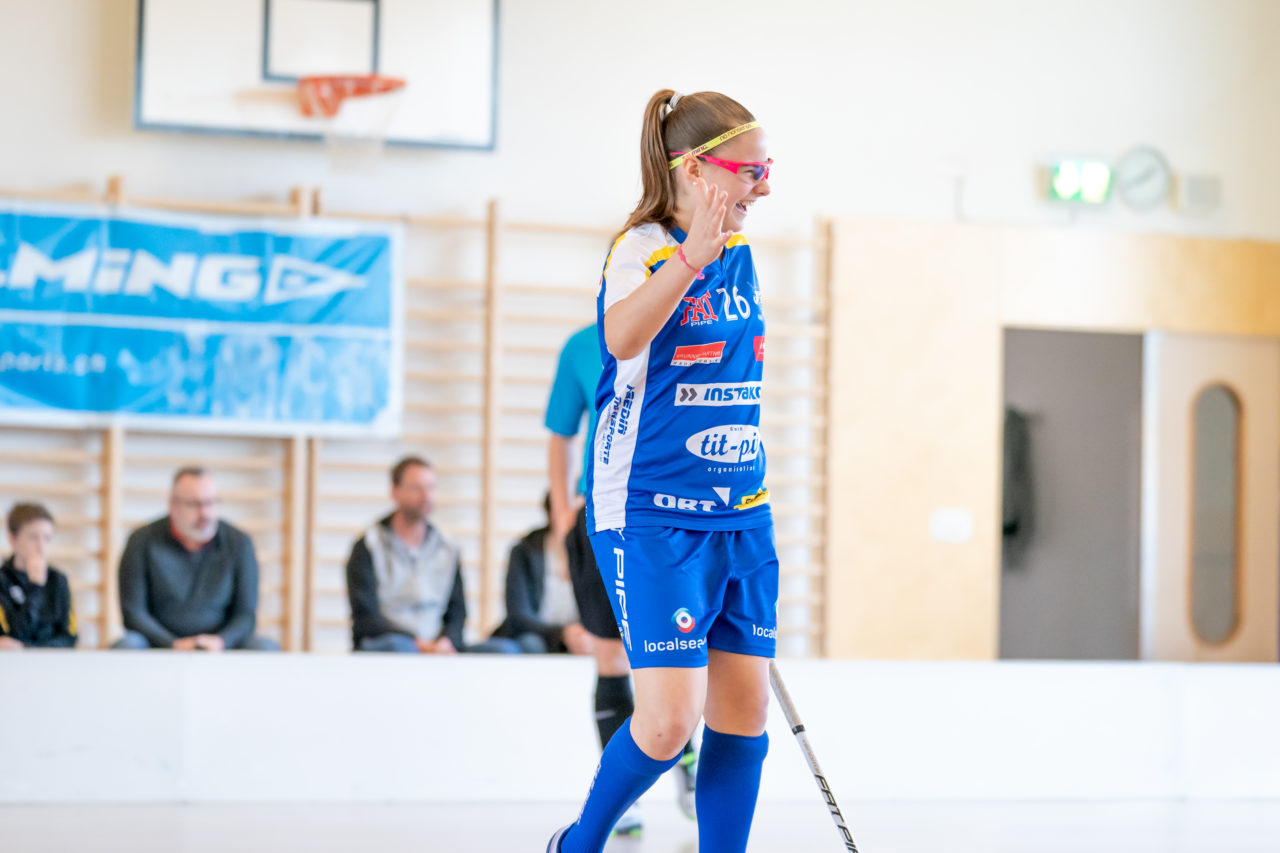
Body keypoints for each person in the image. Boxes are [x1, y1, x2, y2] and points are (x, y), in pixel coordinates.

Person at [549, 89, 777, 853]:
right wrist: (690, 258)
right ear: (694, 171)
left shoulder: (743, 252)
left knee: (742, 717)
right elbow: (620, 337)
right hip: (650, 512)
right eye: (751, 169)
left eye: (768, 168)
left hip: (740, 511)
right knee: (669, 720)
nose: (766, 185)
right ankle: (578, 842)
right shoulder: (639, 247)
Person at [547, 323, 698, 837]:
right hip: (602, 516)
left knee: (672, 654)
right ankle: (621, 802)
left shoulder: (691, 333)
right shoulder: (582, 346)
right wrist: (562, 512)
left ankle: (689, 763)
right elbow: (560, 434)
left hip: (668, 517)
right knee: (610, 655)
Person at [345, 455, 520, 654]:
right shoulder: (369, 545)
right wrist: (419, 643)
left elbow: (457, 612)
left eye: (430, 488)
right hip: (392, 644)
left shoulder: (447, 546)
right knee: (399, 647)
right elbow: (366, 618)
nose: (426, 496)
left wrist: (447, 642)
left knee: (505, 650)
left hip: (437, 644)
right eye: (417, 488)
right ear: (395, 492)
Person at [114, 467, 278, 651]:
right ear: (173, 505)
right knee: (127, 645)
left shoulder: (239, 542)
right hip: (159, 645)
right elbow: (133, 613)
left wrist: (221, 641)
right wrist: (172, 644)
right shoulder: (142, 541)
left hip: (221, 646)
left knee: (265, 647)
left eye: (211, 503)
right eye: (194, 504)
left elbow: (246, 615)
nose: (205, 513)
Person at [490, 495, 595, 655]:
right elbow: (518, 616)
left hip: (582, 640)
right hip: (537, 637)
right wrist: (563, 634)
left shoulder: (596, 553)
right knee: (531, 644)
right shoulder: (526, 551)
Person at [0, 503, 77, 650]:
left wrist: (28, 647)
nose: (41, 546)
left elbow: (69, 637)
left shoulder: (58, 580)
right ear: (13, 540)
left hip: (52, 662)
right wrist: (35, 587)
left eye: (47, 538)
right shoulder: (3, 581)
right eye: (33, 537)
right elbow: (12, 637)